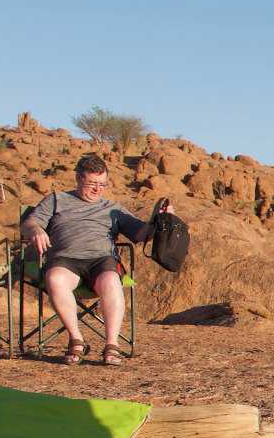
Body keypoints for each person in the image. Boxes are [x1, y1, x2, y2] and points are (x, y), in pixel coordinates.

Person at [21, 154, 170, 365]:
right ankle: (76, 340)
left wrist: (162, 220)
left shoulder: (113, 209)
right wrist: (36, 230)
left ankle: (111, 345)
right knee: (54, 278)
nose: (97, 189)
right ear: (78, 178)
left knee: (111, 280)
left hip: (101, 260)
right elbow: (29, 224)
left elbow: (141, 234)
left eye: (102, 184)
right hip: (65, 260)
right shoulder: (56, 200)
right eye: (92, 183)